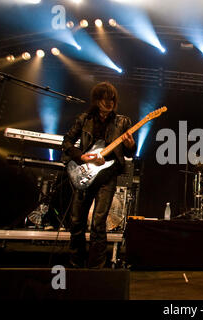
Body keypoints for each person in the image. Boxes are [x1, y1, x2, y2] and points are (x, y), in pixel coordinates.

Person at [62, 82, 136, 268]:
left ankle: (96, 269)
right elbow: (67, 142)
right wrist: (82, 156)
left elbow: (129, 154)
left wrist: (130, 146)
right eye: (105, 99)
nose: (109, 102)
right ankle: (75, 266)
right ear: (96, 100)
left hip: (107, 176)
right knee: (76, 222)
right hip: (85, 173)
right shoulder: (84, 119)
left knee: (98, 223)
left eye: (112, 99)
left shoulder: (123, 122)